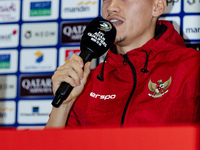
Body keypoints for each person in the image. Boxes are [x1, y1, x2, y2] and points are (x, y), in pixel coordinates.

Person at [45, 0, 200, 128]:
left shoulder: (192, 67)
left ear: (158, 6)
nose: (111, 7)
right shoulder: (85, 82)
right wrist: (64, 106)